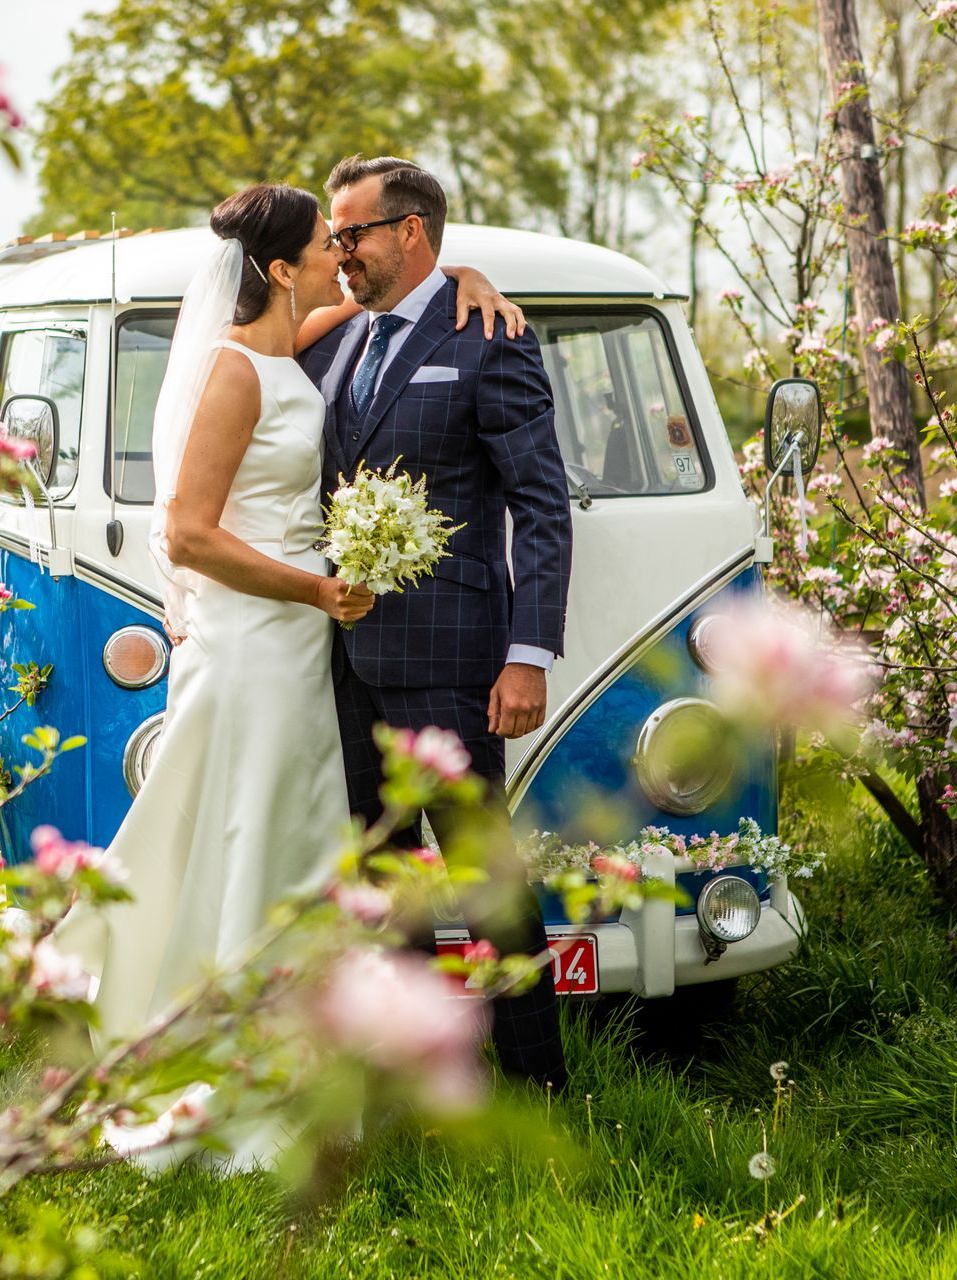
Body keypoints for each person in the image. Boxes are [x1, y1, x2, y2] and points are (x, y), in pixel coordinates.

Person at [60, 183, 523, 1060]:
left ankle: (305, 1045)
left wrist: (463, 272)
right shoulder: (234, 370)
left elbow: (398, 306)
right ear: (280, 269)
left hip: (306, 644)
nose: (340, 256)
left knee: (299, 834)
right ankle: (226, 1045)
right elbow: (187, 534)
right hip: (259, 637)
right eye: (325, 244)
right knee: (251, 830)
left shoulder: (288, 347)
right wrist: (314, 591)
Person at [296, 155, 574, 1091]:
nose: (339, 254)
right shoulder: (333, 343)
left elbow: (540, 503)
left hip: (456, 659)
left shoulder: (490, 337)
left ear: (408, 232)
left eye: (353, 234)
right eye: (332, 236)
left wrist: (527, 655)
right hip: (346, 663)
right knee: (380, 876)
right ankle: (413, 1073)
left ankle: (538, 1086)